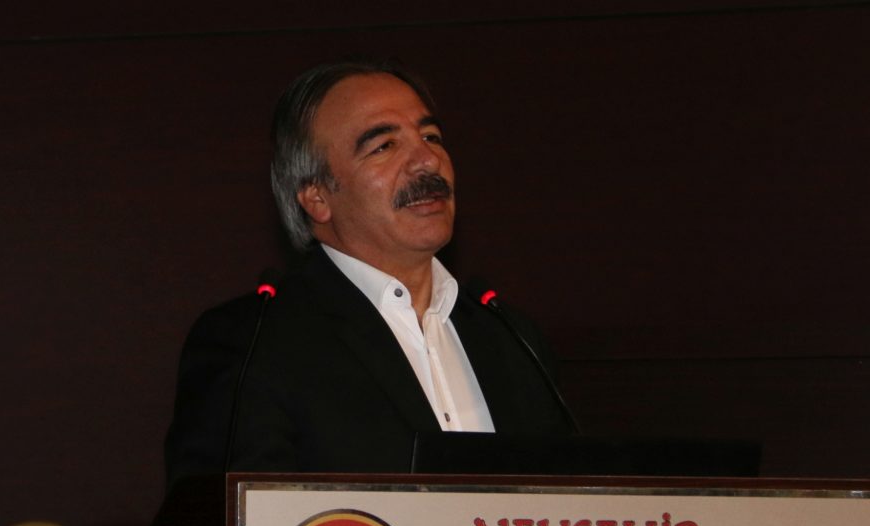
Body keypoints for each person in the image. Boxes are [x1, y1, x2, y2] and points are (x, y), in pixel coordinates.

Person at [164, 60, 573, 488]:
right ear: (317, 197)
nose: (428, 160)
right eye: (384, 146)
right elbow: (222, 520)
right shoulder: (253, 344)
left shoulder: (511, 338)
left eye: (431, 137)